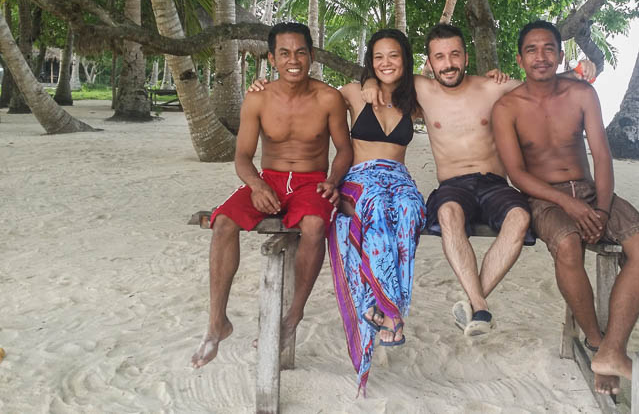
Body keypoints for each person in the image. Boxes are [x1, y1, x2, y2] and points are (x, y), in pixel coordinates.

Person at [362, 23, 595, 337]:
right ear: (429, 63)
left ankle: (474, 302)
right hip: (453, 185)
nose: (448, 63)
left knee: (520, 216)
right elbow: (384, 70)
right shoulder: (421, 89)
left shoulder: (491, 88)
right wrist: (367, 81)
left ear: (466, 57)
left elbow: (538, 83)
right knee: (447, 214)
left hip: (494, 183)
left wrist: (581, 71)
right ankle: (480, 306)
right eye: (440, 57)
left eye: (455, 54)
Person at [491, 20, 639, 395]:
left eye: (549, 48)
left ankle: (613, 349)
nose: (541, 57)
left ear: (560, 55)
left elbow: (601, 154)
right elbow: (517, 173)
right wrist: (569, 203)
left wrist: (599, 208)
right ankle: (597, 342)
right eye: (532, 50)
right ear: (520, 59)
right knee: (567, 245)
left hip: (590, 190)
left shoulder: (581, 93)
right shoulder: (507, 107)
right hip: (543, 196)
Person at [190, 22, 353, 369]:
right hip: (270, 179)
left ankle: (292, 317)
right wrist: (258, 186)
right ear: (272, 58)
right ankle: (217, 322)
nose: (293, 60)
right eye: (284, 53)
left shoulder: (328, 98)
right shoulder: (258, 98)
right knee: (222, 222)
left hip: (311, 181)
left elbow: (344, 149)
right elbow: (243, 156)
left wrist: (334, 179)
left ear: (311, 56)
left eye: (300, 52)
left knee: (313, 225)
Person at [328, 28, 426, 395]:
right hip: (361, 178)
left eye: (394, 56)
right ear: (370, 61)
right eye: (378, 57)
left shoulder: (414, 97)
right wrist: (261, 85)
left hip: (399, 177)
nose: (386, 63)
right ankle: (382, 309)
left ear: (405, 60)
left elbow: (463, 91)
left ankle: (386, 307)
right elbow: (312, 96)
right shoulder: (355, 92)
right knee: (377, 207)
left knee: (412, 209)